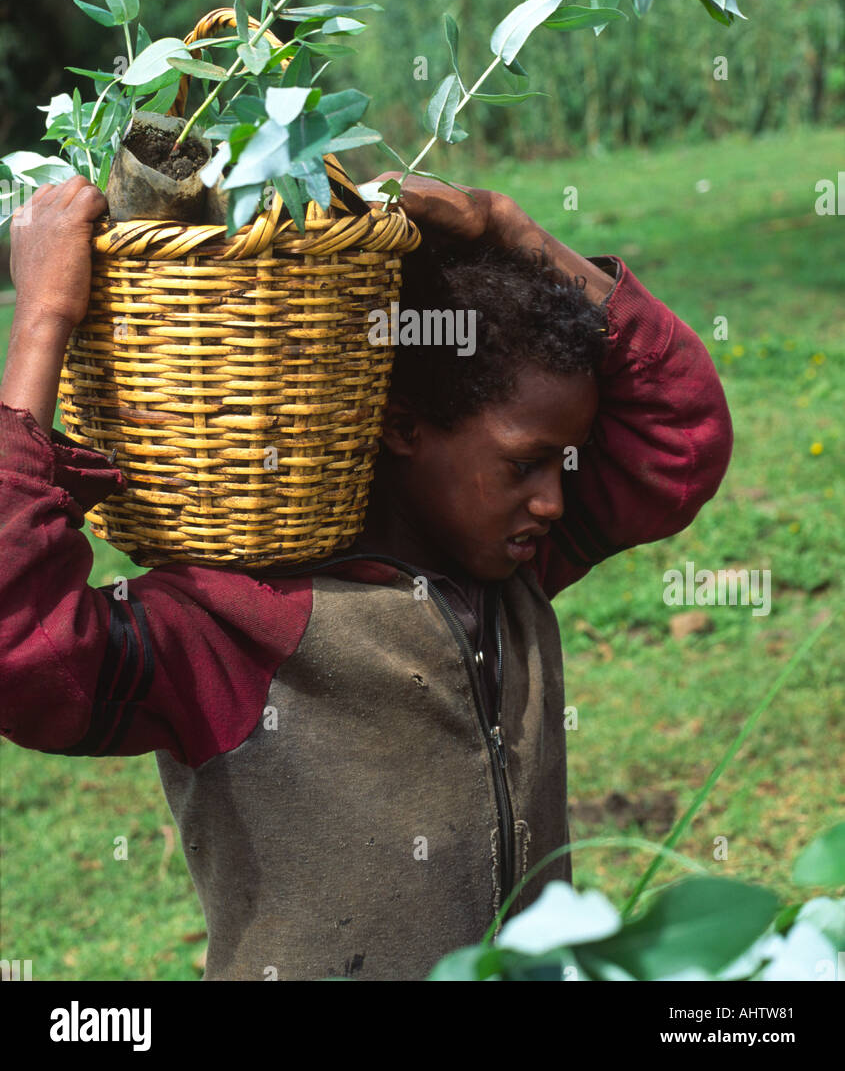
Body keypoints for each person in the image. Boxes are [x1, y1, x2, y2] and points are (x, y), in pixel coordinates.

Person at [0, 173, 733, 981]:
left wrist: (509, 227)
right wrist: (44, 321)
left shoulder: (502, 573)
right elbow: (22, 654)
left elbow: (679, 434)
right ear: (402, 427)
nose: (555, 500)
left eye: (562, 466)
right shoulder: (233, 626)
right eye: (525, 465)